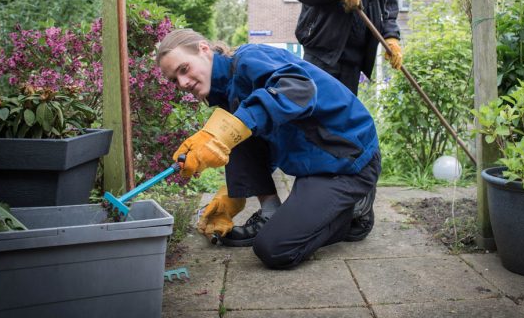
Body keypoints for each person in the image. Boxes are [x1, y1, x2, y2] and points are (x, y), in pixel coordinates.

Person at [157, 28, 381, 269]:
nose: (182, 83)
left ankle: (356, 212)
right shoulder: (227, 92)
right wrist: (232, 195)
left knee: (274, 248)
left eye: (184, 69)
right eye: (174, 80)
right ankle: (270, 213)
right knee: (235, 127)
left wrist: (233, 126)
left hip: (350, 161)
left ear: (203, 49)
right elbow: (255, 140)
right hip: (316, 165)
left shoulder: (249, 59)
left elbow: (299, 90)